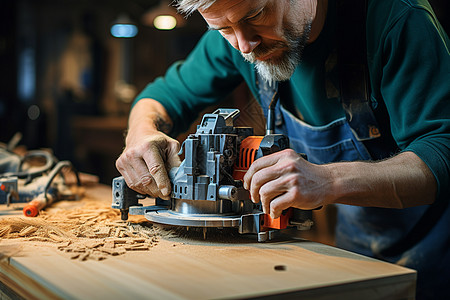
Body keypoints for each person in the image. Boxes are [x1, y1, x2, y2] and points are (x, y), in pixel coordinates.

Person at [115, 0, 449, 298]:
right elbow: (162, 97)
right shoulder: (237, 27)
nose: (245, 45)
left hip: (437, 251)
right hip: (359, 244)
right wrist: (141, 134)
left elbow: (441, 151)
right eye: (223, 29)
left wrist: (329, 181)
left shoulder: (397, 18)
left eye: (258, 14)